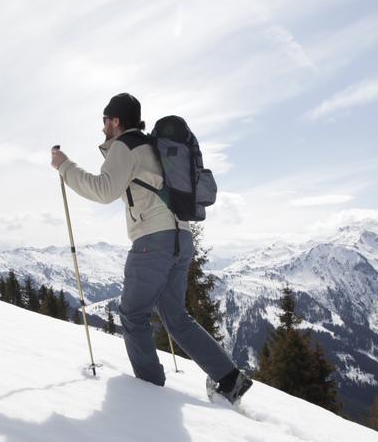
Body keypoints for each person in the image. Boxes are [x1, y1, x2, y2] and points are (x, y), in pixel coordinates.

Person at [49, 93, 251, 404]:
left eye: (105, 120)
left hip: (153, 242)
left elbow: (104, 190)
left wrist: (65, 167)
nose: (102, 127)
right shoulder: (151, 147)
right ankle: (229, 378)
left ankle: (151, 393)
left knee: (132, 314)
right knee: (175, 316)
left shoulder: (125, 146)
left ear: (116, 121)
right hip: (181, 239)